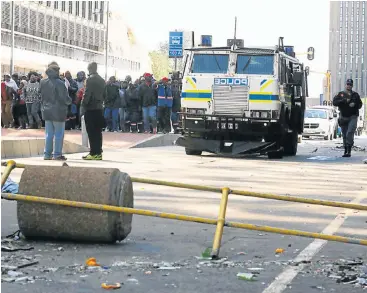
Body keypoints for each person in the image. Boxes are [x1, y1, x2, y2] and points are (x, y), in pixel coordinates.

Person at [40, 62, 71, 160]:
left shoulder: (43, 82)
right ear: (56, 71)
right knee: (58, 134)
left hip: (46, 110)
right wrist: (70, 101)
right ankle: (57, 154)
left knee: (48, 134)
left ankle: (47, 154)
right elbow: (65, 98)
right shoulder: (60, 83)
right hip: (58, 111)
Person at [81, 62, 106, 160]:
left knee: (91, 131)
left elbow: (87, 94)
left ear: (89, 69)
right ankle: (98, 152)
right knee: (98, 132)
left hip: (91, 108)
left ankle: (93, 152)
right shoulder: (102, 80)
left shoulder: (90, 80)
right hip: (99, 108)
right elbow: (105, 95)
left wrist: (83, 105)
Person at [333, 79, 363, 158]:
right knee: (344, 134)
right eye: (347, 84)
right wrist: (343, 100)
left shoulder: (355, 95)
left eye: (350, 84)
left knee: (350, 132)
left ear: (352, 86)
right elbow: (334, 102)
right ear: (346, 85)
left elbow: (360, 104)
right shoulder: (341, 94)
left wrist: (354, 104)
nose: (349, 86)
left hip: (353, 116)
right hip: (343, 116)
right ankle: (346, 150)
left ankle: (349, 150)